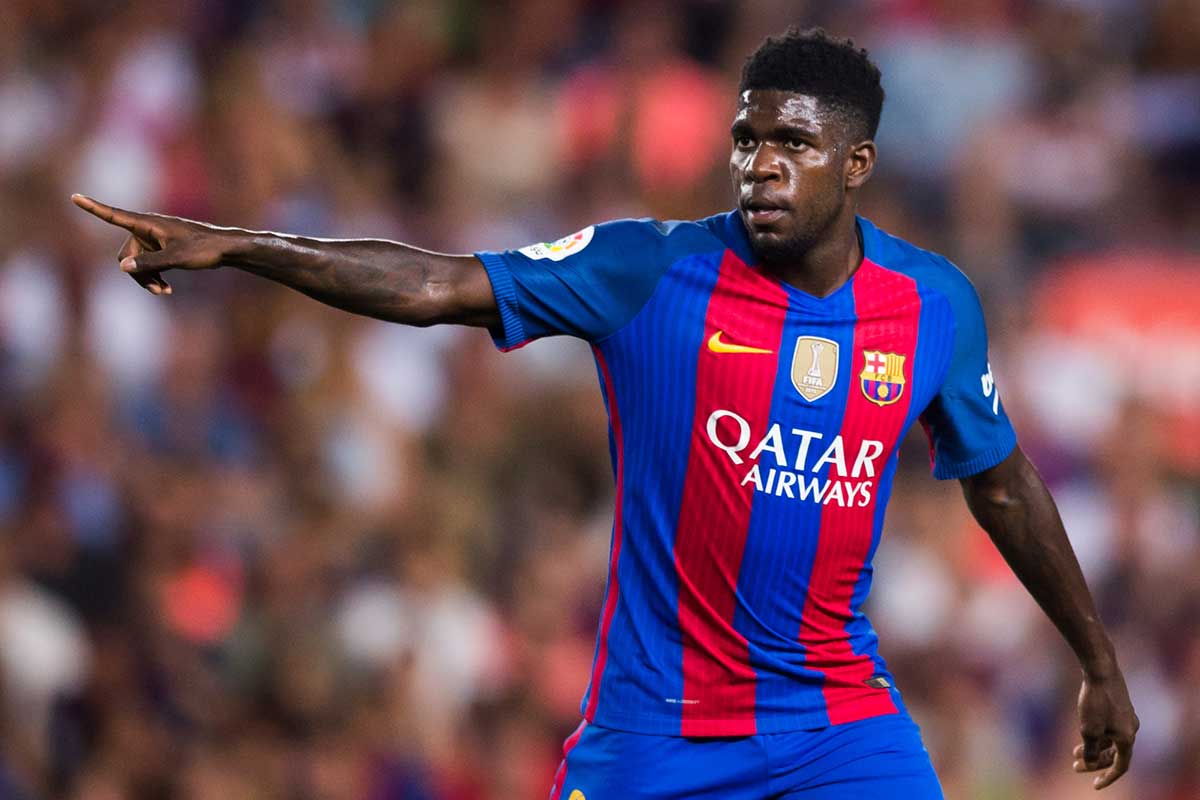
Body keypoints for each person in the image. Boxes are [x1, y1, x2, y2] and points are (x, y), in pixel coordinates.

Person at [73, 27, 1137, 800]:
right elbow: (439, 283)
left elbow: (1003, 483)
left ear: (856, 164)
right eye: (747, 139)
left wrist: (1097, 661)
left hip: (838, 723)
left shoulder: (932, 305)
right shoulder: (649, 269)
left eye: (793, 145)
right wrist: (243, 245)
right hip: (657, 734)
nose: (760, 165)